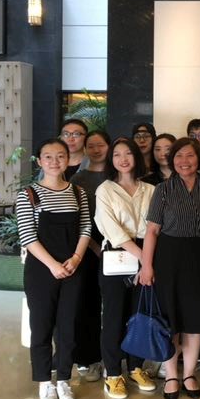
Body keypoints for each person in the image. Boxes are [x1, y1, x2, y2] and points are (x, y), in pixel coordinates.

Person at [139, 137, 200, 399]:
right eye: (178, 156)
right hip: (169, 259)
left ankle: (189, 374)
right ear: (172, 160)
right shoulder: (163, 189)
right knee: (170, 321)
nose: (184, 161)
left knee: (195, 320)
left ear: (199, 158)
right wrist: (147, 265)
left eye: (190, 155)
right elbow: (152, 230)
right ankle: (171, 375)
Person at [16, 138, 91, 399]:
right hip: (41, 269)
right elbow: (27, 236)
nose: (55, 161)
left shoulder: (78, 193)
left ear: (68, 159)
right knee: (42, 325)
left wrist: (76, 258)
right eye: (48, 156)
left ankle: (63, 378)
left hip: (73, 267)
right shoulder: (28, 194)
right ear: (39, 161)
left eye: (60, 156)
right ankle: (44, 382)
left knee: (68, 326)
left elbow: (85, 228)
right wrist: (53, 265)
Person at [94, 137, 157, 399]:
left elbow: (154, 227)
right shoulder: (105, 189)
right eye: (117, 154)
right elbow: (112, 229)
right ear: (111, 160)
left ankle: (135, 368)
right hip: (118, 254)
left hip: (147, 252)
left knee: (139, 315)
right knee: (113, 315)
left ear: (136, 157)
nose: (123, 159)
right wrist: (144, 259)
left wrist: (148, 261)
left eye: (128, 153)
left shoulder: (151, 189)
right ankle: (112, 373)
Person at [70, 130, 111, 383]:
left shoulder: (117, 174)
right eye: (91, 146)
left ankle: (116, 357)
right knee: (88, 303)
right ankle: (89, 357)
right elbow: (77, 218)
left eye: (101, 145)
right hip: (87, 246)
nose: (96, 150)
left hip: (118, 245)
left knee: (115, 306)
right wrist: (95, 247)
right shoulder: (78, 178)